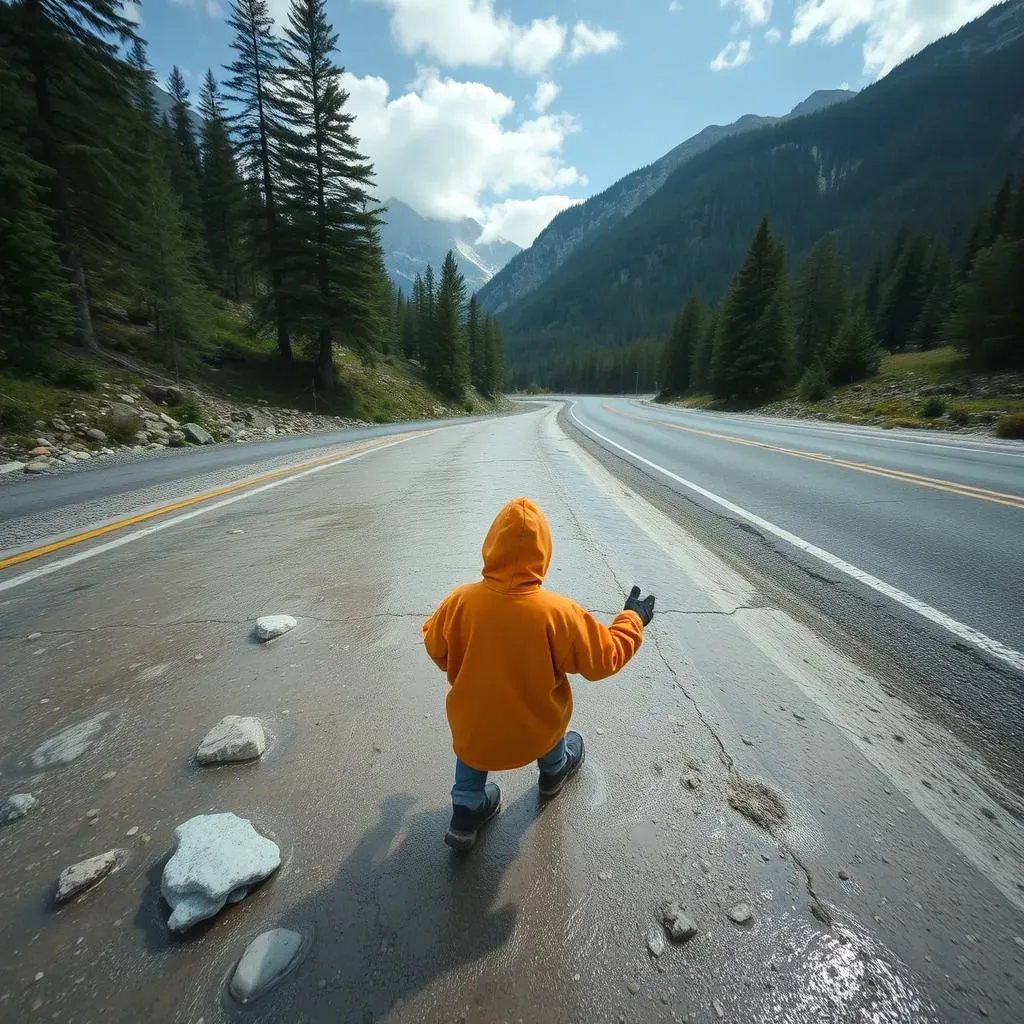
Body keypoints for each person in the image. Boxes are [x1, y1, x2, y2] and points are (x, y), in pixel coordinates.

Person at [422, 497, 656, 851]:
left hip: (476, 731)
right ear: (543, 553)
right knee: (553, 729)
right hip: (537, 731)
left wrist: (462, 665)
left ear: (491, 544)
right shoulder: (558, 613)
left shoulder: (460, 602)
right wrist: (632, 619)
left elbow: (435, 646)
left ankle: (466, 813)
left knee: (471, 748)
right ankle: (553, 772)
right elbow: (603, 659)